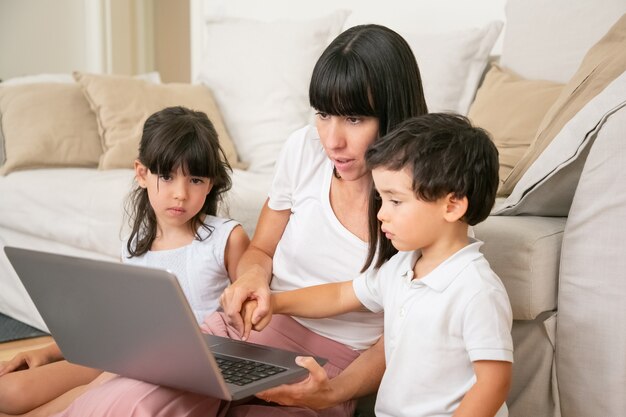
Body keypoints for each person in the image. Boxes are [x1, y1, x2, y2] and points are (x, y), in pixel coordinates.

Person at [45, 24, 428, 417]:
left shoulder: (424, 201)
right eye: (324, 114)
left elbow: (396, 338)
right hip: (248, 333)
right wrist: (250, 279)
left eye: (353, 119)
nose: (332, 140)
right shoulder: (304, 149)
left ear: (393, 114)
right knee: (135, 402)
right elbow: (261, 249)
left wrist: (332, 392)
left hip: (330, 365)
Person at [246, 113, 514, 417]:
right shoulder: (401, 267)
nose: (380, 214)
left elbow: (493, 383)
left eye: (395, 201)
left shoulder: (477, 290)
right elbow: (339, 295)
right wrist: (273, 302)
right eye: (381, 200)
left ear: (451, 206)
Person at [0, 106, 249, 417]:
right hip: (131, 355)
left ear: (211, 183)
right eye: (167, 176)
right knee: (8, 392)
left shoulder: (226, 239)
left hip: (181, 371)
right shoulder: (133, 248)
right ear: (142, 174)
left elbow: (252, 318)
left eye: (195, 179)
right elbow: (114, 327)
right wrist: (47, 353)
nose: (180, 194)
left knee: (94, 392)